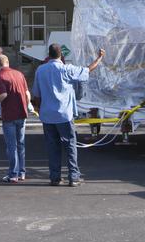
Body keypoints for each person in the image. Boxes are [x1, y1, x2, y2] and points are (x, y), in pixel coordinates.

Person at [32, 44, 104, 187]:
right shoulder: (67, 69)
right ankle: (74, 177)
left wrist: (39, 108)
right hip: (64, 114)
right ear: (61, 56)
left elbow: (36, 93)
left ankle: (55, 177)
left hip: (47, 115)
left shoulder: (40, 70)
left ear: (49, 54)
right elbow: (88, 70)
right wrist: (100, 58)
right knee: (70, 146)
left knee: (52, 147)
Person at [0, 54, 31, 183]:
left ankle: (13, 174)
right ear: (8, 62)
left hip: (9, 115)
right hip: (22, 113)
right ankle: (22, 172)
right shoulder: (19, 74)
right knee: (21, 144)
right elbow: (27, 93)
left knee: (11, 146)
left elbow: (3, 94)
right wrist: (28, 104)